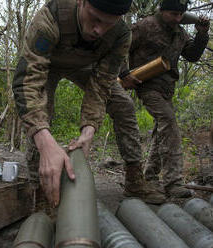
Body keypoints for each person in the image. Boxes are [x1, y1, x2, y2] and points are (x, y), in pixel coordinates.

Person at [12, 0, 166, 210]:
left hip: (86, 67)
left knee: (124, 105)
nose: (99, 30)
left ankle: (134, 180)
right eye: (95, 19)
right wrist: (43, 138)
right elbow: (27, 81)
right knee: (39, 114)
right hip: (48, 65)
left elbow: (101, 84)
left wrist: (89, 128)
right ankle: (41, 192)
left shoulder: (121, 34)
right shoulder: (50, 17)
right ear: (81, 2)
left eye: (108, 24)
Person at [121, 0, 209, 197]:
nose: (177, 18)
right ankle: (173, 182)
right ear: (162, 10)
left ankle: (150, 175)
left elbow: (192, 56)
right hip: (146, 85)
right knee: (168, 123)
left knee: (161, 130)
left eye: (180, 15)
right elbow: (121, 46)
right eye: (173, 14)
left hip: (166, 88)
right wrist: (124, 73)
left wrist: (202, 34)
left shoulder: (179, 32)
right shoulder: (145, 25)